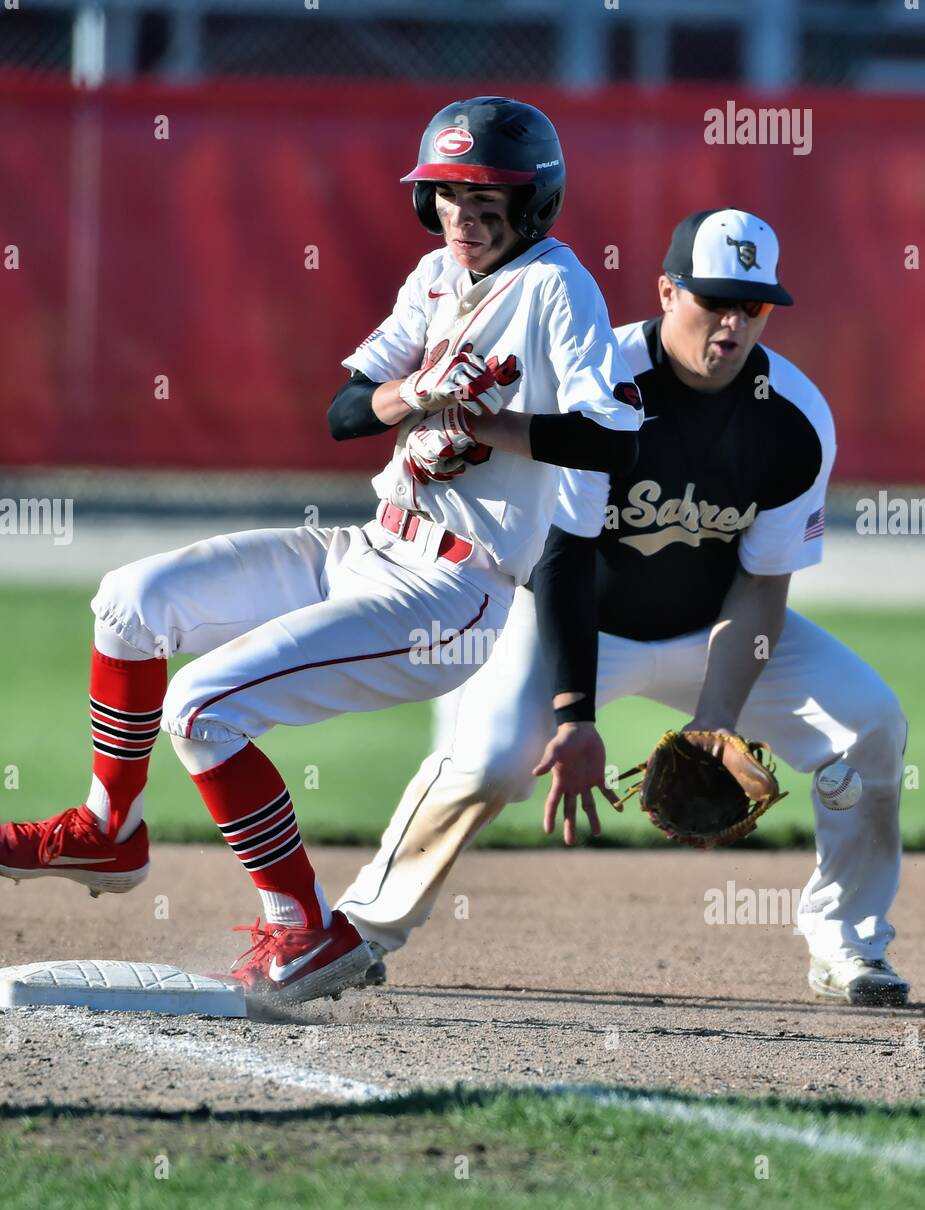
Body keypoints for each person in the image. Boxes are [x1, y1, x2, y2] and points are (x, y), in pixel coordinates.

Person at [0, 96, 640, 1003]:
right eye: (446, 192)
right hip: (371, 542)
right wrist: (419, 394)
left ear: (533, 201)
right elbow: (346, 413)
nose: (462, 211)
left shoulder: (557, 287)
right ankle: (110, 828)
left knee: (202, 707)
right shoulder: (431, 276)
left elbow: (612, 442)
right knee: (129, 600)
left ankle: (307, 930)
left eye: (485, 194)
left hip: (453, 592)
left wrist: (482, 423)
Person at [337, 208, 910, 1008]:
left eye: (753, 306)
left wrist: (718, 720)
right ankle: (359, 930)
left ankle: (849, 944)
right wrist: (573, 711)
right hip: (558, 618)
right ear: (667, 290)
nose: (732, 322)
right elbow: (561, 554)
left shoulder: (793, 418)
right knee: (492, 760)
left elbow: (761, 585)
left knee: (871, 726)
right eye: (714, 299)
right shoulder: (596, 377)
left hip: (702, 627)